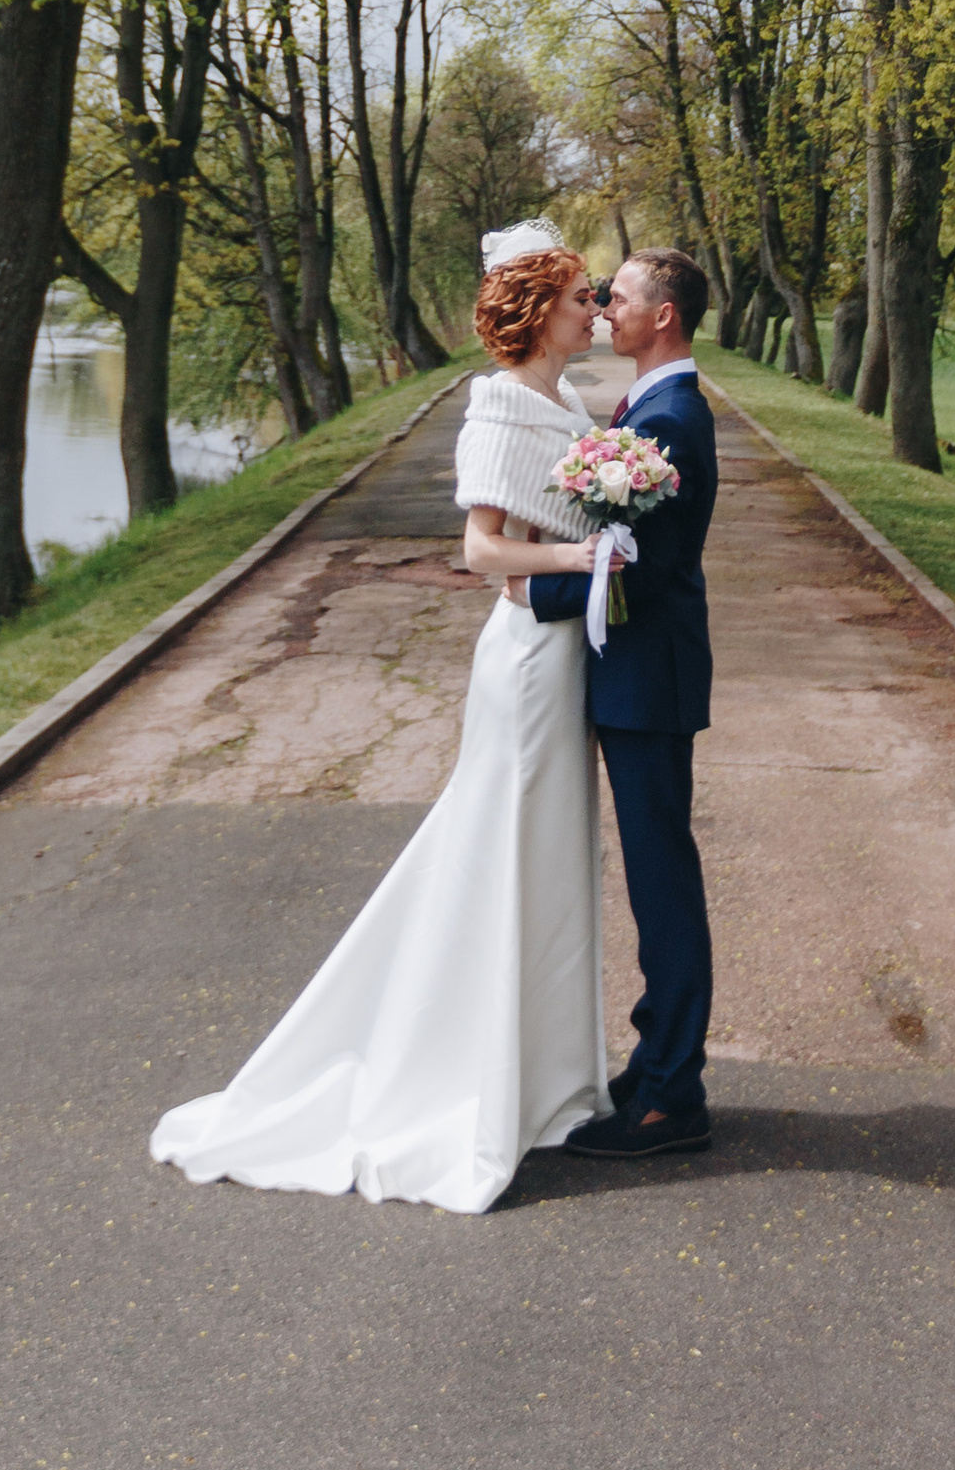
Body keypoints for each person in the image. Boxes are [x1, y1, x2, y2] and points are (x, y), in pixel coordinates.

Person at [148, 225, 607, 1214]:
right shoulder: (497, 409)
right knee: (503, 845)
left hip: (567, 652)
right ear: (537, 312)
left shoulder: (567, 403)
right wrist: (581, 559)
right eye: (579, 296)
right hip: (528, 660)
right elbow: (482, 553)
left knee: (551, 854)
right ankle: (465, 1077)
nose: (593, 309)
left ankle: (546, 1082)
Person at [527, 248, 718, 1159]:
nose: (605, 308)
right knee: (654, 880)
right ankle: (654, 1068)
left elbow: (638, 562)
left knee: (662, 883)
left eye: (621, 297)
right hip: (638, 677)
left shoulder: (671, 417)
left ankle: (673, 1096)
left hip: (651, 683)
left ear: (664, 315)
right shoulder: (650, 404)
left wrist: (530, 590)